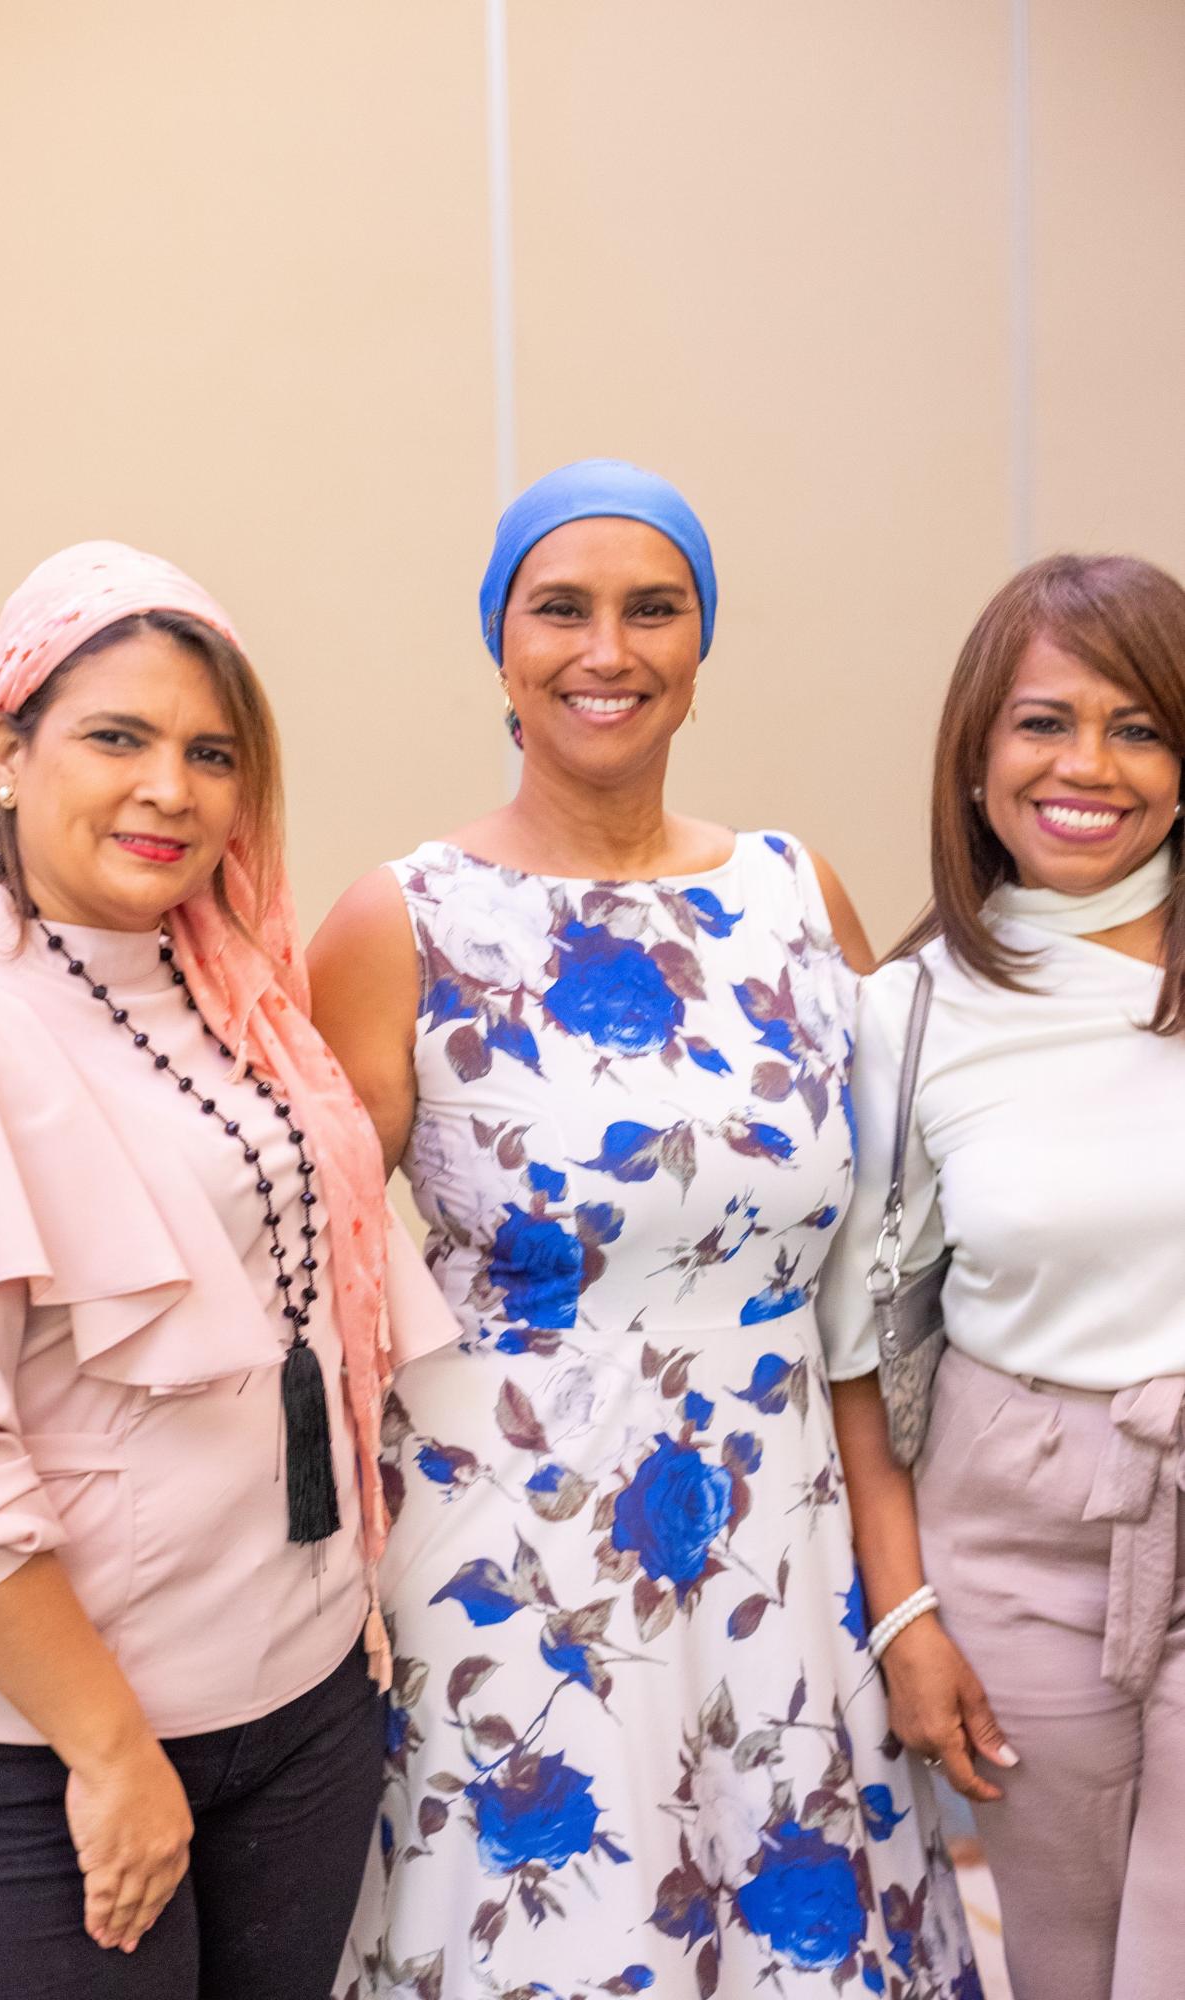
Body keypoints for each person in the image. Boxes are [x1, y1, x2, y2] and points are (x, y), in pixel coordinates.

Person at [310, 461, 979, 1997]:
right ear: (499, 647)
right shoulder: (400, 919)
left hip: (783, 1538)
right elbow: (320, 1287)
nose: (604, 650)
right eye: (560, 609)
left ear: (698, 647)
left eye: (649, 610)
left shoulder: (794, 893)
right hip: (510, 1551)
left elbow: (874, 1277)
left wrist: (906, 1587)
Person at [0, 541, 454, 2000]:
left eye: (210, 753)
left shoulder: (236, 987)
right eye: (115, 738)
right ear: (9, 751)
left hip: (296, 1707)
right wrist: (111, 1752)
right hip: (23, 1754)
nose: (168, 789)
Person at [817, 552, 1185, 2000]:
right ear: (975, 760)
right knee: (1070, 1968)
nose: (1084, 764)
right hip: (1017, 1526)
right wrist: (905, 1616)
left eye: (1137, 725)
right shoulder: (902, 1016)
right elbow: (855, 1343)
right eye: (1042, 721)